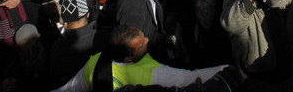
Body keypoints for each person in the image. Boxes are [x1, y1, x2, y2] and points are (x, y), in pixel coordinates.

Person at [53, 25, 230, 92]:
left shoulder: (96, 62)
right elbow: (190, 78)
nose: (147, 40)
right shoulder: (151, 74)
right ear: (129, 58)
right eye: (142, 43)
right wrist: (227, 69)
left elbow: (70, 89)